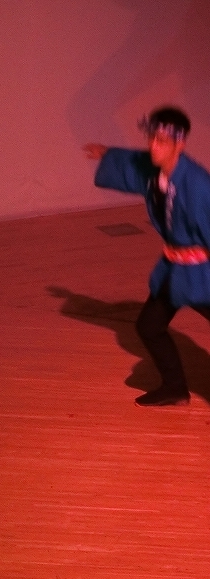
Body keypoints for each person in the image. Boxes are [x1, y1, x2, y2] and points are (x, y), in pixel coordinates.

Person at [84, 106, 210, 406]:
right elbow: (136, 163)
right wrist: (108, 154)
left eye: (161, 141)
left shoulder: (199, 185)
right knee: (149, 327)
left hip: (202, 275)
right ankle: (175, 387)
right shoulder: (156, 173)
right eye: (151, 138)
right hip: (174, 270)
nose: (153, 146)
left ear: (180, 144)